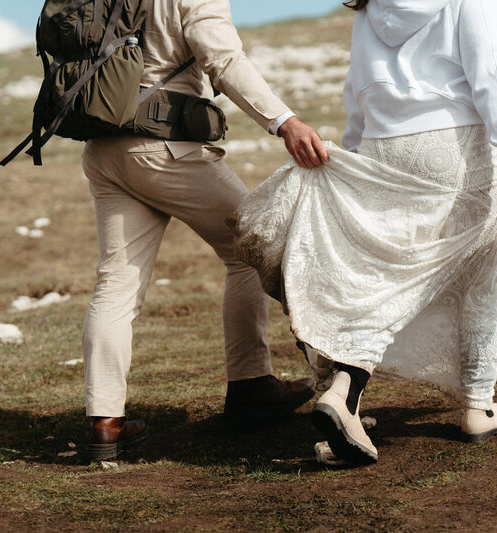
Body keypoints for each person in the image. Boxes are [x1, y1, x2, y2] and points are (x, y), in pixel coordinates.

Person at [231, 0, 497, 464]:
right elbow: (490, 79)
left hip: (384, 147)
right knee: (487, 268)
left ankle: (345, 391)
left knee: (388, 277)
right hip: (457, 146)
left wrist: (359, 159)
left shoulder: (370, 6)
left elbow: (358, 88)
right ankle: (479, 405)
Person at [82, 0, 328, 461]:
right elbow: (223, 58)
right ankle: (253, 385)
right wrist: (284, 121)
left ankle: (105, 424)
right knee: (251, 247)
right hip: (163, 145)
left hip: (104, 146)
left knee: (115, 285)